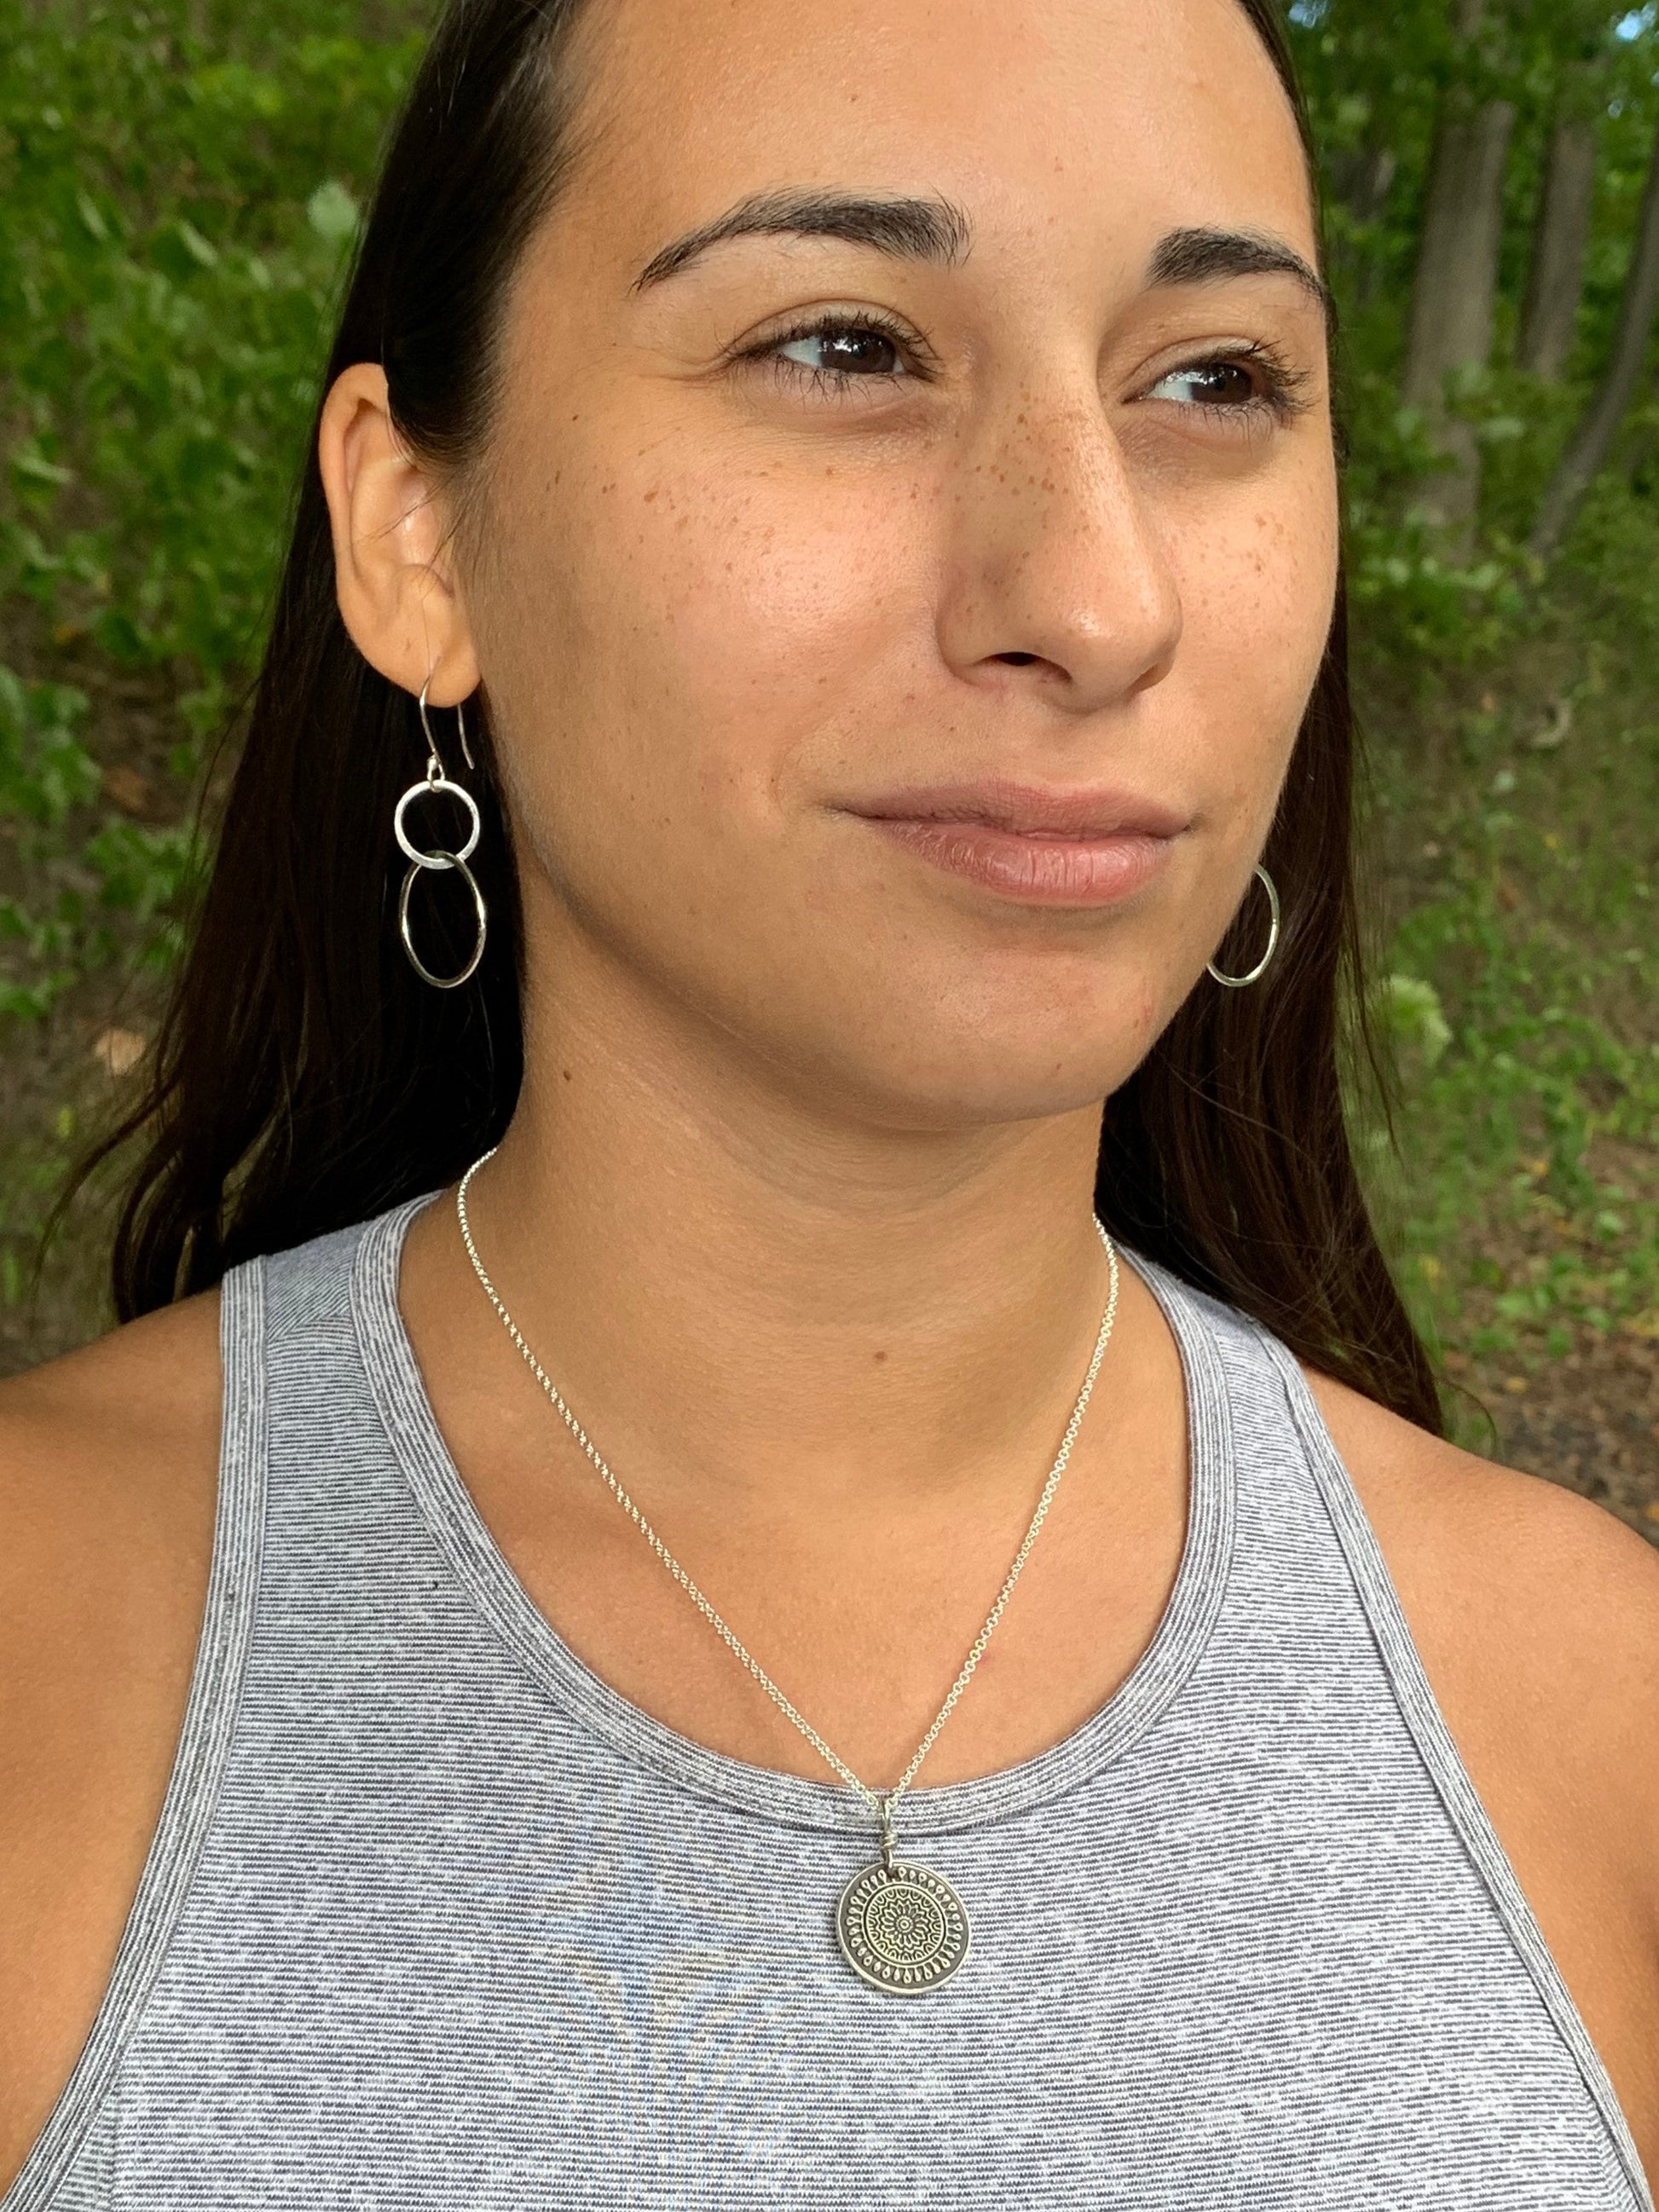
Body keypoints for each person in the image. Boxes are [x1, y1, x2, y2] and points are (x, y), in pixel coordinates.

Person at [2, 0, 1656, 2199]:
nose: (1094, 598)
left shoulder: (1593, 1713)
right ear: (418, 531)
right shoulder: (50, 1656)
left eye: (1212, 380)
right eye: (848, 349)